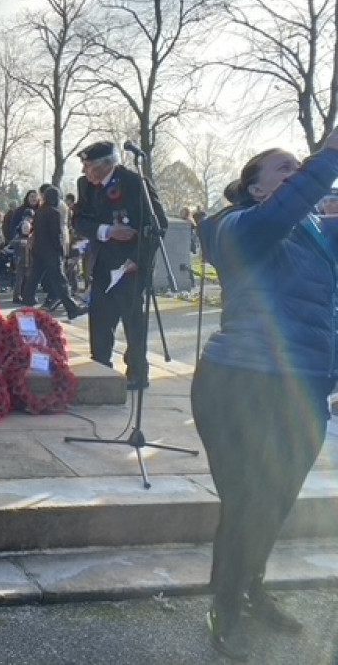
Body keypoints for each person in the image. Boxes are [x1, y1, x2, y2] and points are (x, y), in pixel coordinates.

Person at [191, 134, 338, 661]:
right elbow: (292, 204)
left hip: (302, 389)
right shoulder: (240, 228)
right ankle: (225, 605)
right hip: (239, 382)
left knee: (276, 501)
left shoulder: (317, 237)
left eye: (300, 166)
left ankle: (251, 588)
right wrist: (329, 157)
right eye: (284, 168)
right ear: (255, 189)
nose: (296, 172)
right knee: (248, 500)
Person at [73, 140, 167, 390]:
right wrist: (106, 231)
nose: (85, 172)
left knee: (133, 321)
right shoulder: (86, 187)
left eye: (89, 166)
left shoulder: (136, 184)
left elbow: (159, 226)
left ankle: (137, 370)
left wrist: (139, 261)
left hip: (131, 265)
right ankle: (100, 366)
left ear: (107, 164)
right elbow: (79, 220)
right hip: (103, 263)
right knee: (100, 318)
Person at [21, 186, 87, 320]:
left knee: (33, 278)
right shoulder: (55, 213)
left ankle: (27, 302)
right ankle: (72, 309)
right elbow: (56, 235)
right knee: (61, 281)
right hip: (52, 252)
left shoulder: (39, 211)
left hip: (39, 250)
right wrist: (62, 250)